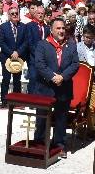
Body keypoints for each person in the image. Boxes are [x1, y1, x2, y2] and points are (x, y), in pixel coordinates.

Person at [30, 17, 79, 155]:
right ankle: (39, 143)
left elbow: (75, 64)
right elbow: (39, 64)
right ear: (51, 30)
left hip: (64, 88)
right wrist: (53, 77)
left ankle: (59, 145)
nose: (61, 31)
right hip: (45, 88)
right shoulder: (42, 45)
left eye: (63, 28)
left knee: (61, 118)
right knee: (41, 118)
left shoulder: (71, 45)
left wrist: (62, 77)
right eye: (58, 28)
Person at [0, 5, 27, 104]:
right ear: (9, 15)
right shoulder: (3, 26)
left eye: (16, 13)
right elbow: (2, 42)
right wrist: (11, 52)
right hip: (7, 57)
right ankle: (4, 101)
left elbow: (26, 42)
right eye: (12, 14)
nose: (14, 15)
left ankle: (17, 100)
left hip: (19, 57)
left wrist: (18, 52)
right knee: (6, 79)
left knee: (17, 80)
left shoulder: (23, 26)